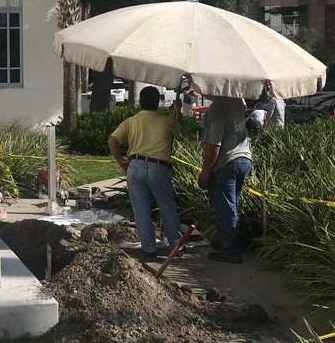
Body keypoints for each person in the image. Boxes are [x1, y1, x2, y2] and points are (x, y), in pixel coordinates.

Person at [108, 86, 185, 259]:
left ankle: (149, 249)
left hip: (135, 166)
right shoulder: (166, 121)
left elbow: (112, 140)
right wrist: (178, 110)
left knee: (141, 210)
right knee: (167, 207)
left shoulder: (130, 121)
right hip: (158, 167)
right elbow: (179, 128)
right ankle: (176, 246)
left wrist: (121, 161)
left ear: (140, 101)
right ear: (158, 101)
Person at [198, 96, 252, 264]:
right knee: (230, 205)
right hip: (243, 159)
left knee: (226, 209)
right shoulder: (237, 102)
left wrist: (205, 172)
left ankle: (231, 251)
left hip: (226, 163)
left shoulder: (218, 108)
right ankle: (227, 241)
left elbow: (214, 145)